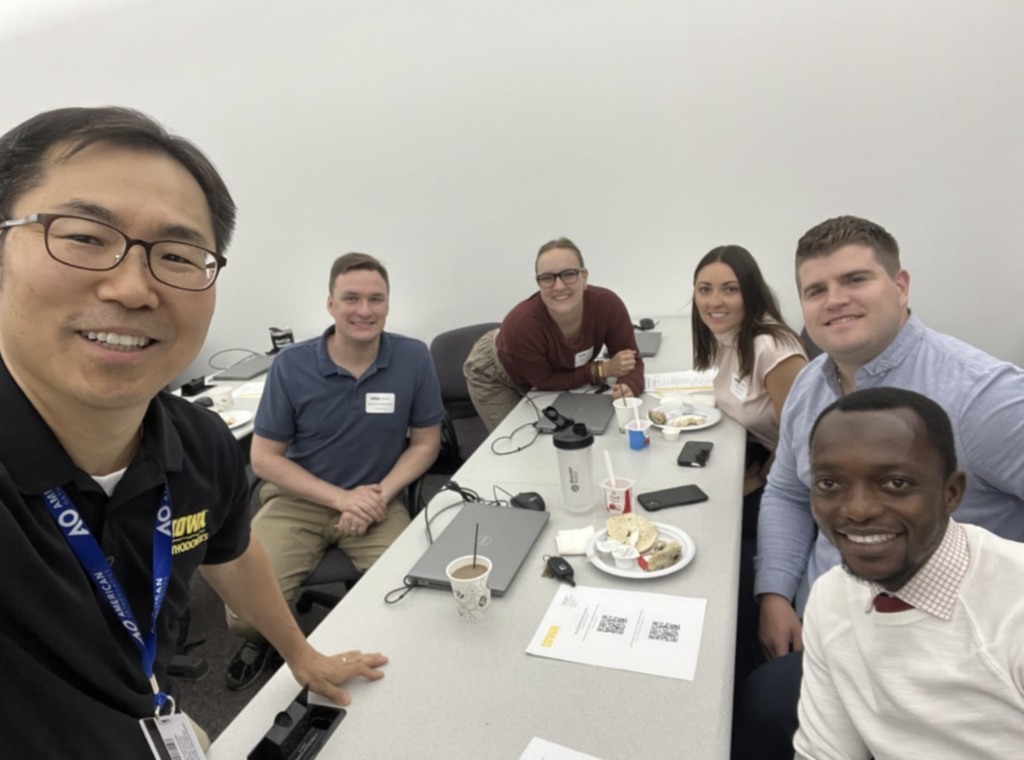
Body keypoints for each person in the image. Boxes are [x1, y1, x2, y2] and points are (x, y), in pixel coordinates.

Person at [0, 107, 387, 759]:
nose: (132, 287)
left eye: (177, 255)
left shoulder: (201, 443)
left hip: (155, 721)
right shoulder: (294, 366)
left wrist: (301, 654)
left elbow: (228, 551)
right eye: (85, 237)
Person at [734, 215, 1024, 759]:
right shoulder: (809, 389)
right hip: (827, 609)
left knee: (759, 703)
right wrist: (773, 593)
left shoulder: (982, 396)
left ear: (901, 285)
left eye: (855, 280)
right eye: (816, 290)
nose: (834, 300)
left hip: (938, 644)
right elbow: (788, 494)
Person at [225, 252, 443, 689]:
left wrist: (376, 495)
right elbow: (264, 459)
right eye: (351, 299)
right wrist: (341, 498)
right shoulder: (291, 365)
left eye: (375, 299)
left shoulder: (413, 357)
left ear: (388, 304)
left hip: (378, 499)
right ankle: (271, 641)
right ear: (330, 305)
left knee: (419, 601)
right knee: (245, 618)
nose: (364, 310)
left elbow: (426, 444)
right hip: (297, 502)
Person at [795, 387, 1024, 759]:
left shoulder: (1012, 611)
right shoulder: (831, 597)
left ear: (951, 493)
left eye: (895, 483)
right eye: (830, 484)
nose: (858, 510)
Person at [464, 237, 644, 432]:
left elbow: (631, 360)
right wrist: (601, 371)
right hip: (497, 374)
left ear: (584, 276)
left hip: (544, 371)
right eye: (548, 278)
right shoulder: (522, 325)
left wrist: (630, 385)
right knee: (516, 443)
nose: (558, 286)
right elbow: (544, 381)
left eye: (569, 274)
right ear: (538, 283)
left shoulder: (608, 305)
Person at [691, 245, 807, 525]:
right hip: (753, 449)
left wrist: (758, 479)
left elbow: (800, 438)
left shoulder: (772, 350)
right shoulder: (729, 335)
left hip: (790, 475)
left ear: (751, 293)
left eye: (730, 289)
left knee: (707, 519)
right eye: (705, 289)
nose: (714, 301)